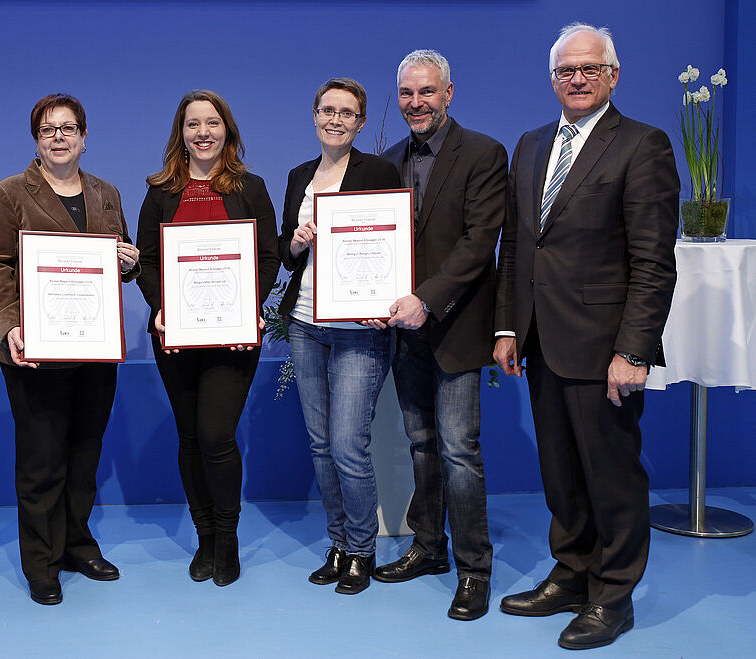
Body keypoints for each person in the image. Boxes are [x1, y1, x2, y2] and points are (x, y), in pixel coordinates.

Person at [493, 24, 678, 650]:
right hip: (541, 340)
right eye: (566, 71)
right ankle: (570, 574)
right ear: (552, 79)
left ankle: (612, 596)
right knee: (560, 472)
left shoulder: (643, 146)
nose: (577, 79)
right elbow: (517, 244)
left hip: (605, 348)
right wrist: (507, 326)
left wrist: (633, 351)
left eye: (589, 69)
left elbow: (654, 261)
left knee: (612, 476)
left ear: (612, 76)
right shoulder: (531, 143)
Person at [0, 93, 140, 606]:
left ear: (85, 138)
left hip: (94, 347)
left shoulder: (107, 192)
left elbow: (117, 262)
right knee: (42, 460)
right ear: (36, 140)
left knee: (85, 454)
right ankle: (42, 561)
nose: (60, 137)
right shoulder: (6, 194)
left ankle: (77, 544)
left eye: (69, 128)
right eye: (48, 130)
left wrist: (128, 262)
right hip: (35, 349)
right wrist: (8, 325)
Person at [371, 49, 507, 620]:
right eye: (407, 93)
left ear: (449, 93)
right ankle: (429, 549)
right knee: (421, 444)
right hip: (405, 331)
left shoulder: (483, 153)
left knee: (458, 450)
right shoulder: (386, 159)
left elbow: (480, 244)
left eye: (427, 92)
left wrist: (426, 300)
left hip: (454, 325)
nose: (416, 103)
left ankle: (474, 569)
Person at [136, 90, 279, 587]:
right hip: (174, 335)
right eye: (193, 124)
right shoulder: (159, 191)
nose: (203, 133)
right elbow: (148, 260)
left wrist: (248, 307)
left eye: (212, 123)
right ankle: (203, 539)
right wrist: (160, 308)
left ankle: (228, 538)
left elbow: (267, 257)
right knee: (191, 438)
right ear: (181, 133)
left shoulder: (252, 187)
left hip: (233, 336)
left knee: (217, 436)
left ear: (227, 130)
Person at [278, 78, 400, 595]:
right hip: (305, 324)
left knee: (350, 445)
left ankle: (361, 549)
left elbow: (393, 241)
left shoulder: (378, 171)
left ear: (360, 122)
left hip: (358, 330)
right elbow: (286, 255)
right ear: (314, 115)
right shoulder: (299, 176)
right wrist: (297, 241)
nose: (336, 119)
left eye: (347, 113)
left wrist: (386, 299)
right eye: (327, 110)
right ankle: (337, 543)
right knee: (322, 444)